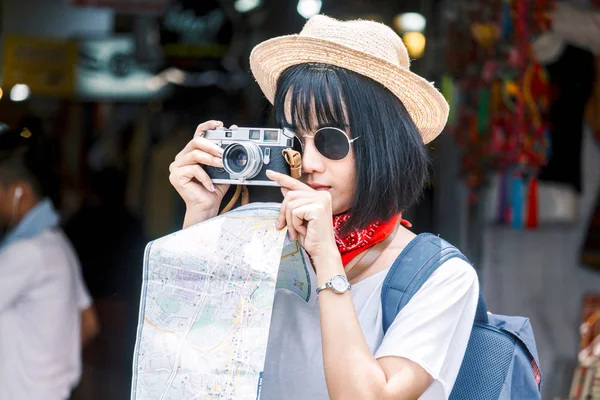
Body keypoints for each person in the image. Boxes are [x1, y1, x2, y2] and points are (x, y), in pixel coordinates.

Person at [168, 15, 479, 399]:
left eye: (331, 140)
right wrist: (200, 219)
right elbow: (183, 367)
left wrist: (327, 261)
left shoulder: (441, 276)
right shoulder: (261, 245)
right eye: (295, 138)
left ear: (385, 145)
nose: (310, 161)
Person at [0, 124, 99, 400]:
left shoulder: (26, 252)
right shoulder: (56, 243)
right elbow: (89, 322)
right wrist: (49, 371)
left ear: (19, 191)